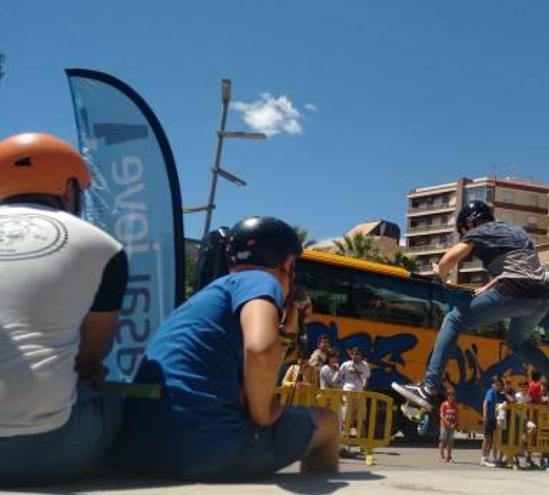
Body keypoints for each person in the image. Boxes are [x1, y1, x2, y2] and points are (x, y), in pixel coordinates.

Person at [118, 216, 339, 480]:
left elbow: (266, 355)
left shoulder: (212, 294)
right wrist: (265, 412)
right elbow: (261, 352)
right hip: (210, 447)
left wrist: (291, 320)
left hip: (147, 448)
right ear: (288, 264)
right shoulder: (260, 280)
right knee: (327, 422)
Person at [0, 133, 129, 485]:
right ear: (69, 188)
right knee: (111, 397)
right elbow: (89, 357)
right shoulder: (102, 246)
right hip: (49, 451)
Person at [393, 201, 549, 409]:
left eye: (464, 232)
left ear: (470, 223)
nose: (465, 236)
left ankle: (429, 387)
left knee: (454, 319)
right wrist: (487, 287)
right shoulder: (515, 230)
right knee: (517, 343)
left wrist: (440, 274)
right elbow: (517, 265)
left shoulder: (481, 230)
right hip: (542, 296)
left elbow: (451, 257)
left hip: (515, 290)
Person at [480, 376, 505, 468]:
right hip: (490, 418)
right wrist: (485, 415)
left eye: (499, 384)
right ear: (493, 384)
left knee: (493, 440)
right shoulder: (490, 392)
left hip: (496, 419)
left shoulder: (501, 394)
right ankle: (483, 458)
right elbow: (486, 403)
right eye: (496, 384)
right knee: (487, 438)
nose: (497, 386)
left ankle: (489, 457)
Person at [439, 389, 458, 463]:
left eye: (453, 396)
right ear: (447, 397)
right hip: (444, 426)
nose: (452, 397)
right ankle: (442, 455)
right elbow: (442, 415)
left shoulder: (455, 405)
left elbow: (457, 416)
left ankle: (448, 456)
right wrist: (447, 423)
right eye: (450, 396)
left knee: (450, 441)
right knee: (443, 440)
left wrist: (454, 423)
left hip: (452, 426)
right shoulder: (444, 404)